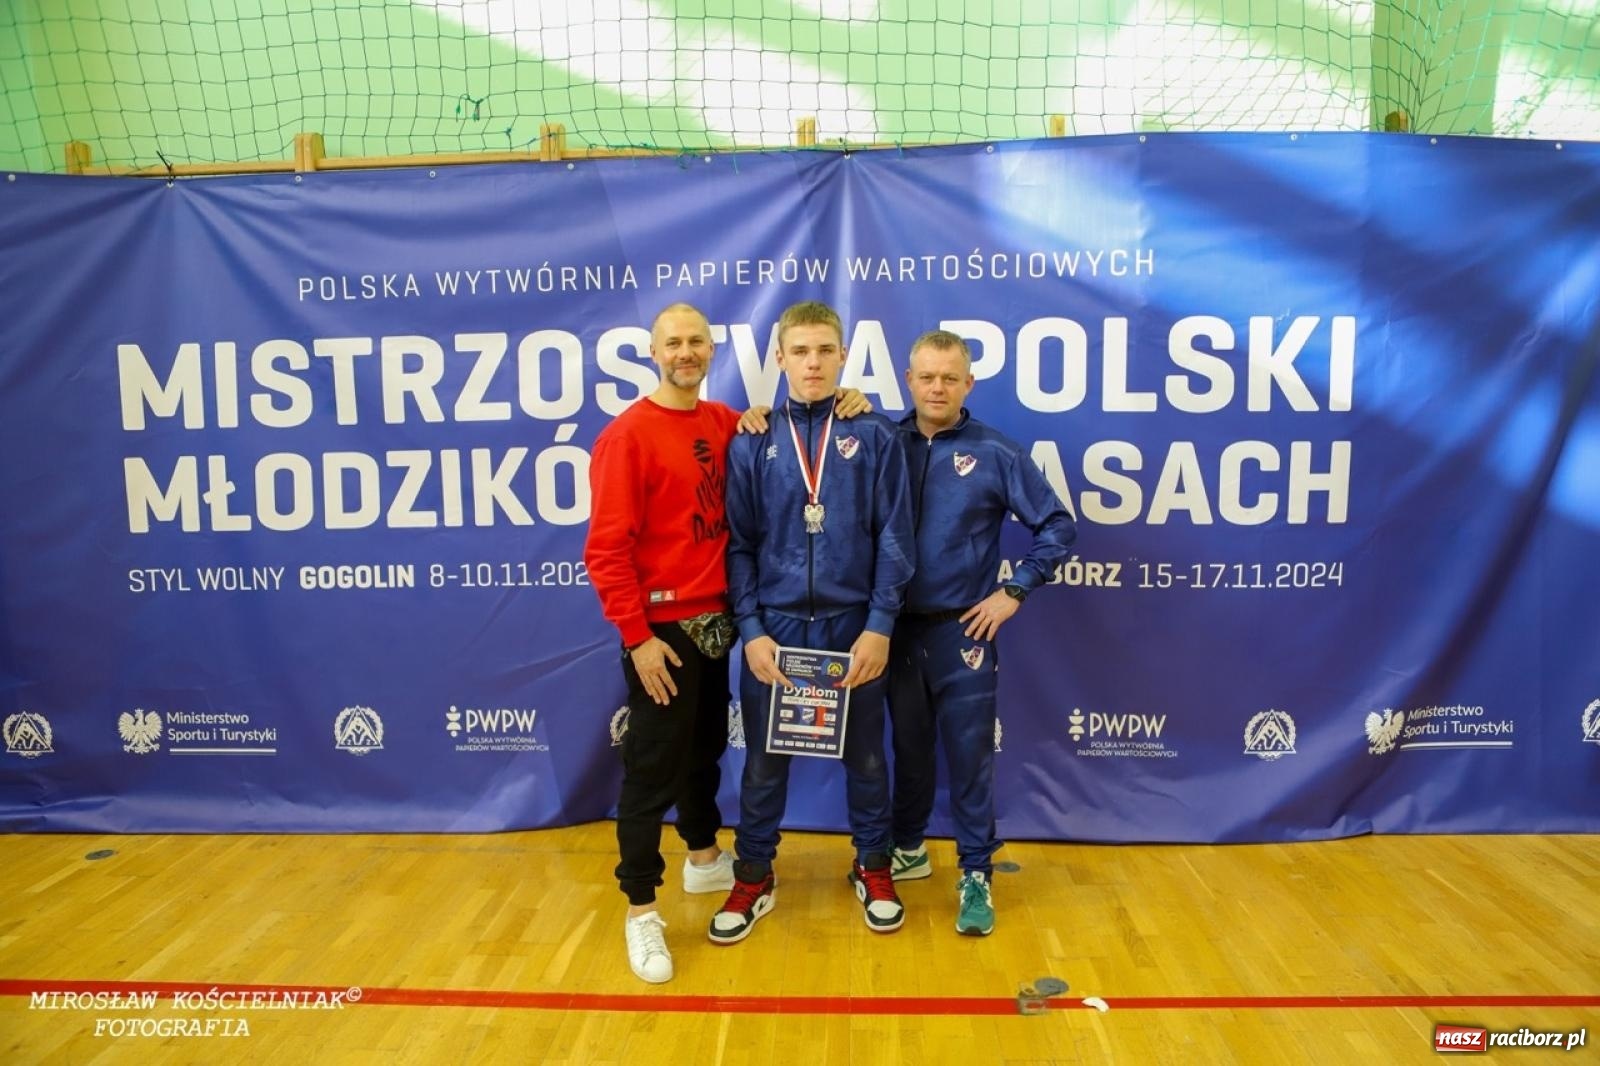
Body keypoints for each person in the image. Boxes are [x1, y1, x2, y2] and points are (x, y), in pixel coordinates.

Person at [585, 302, 872, 984]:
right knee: (652, 771)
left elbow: (801, 429)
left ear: (711, 350)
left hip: (722, 625)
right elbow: (605, 550)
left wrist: (852, 400)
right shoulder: (626, 437)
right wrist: (638, 639)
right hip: (662, 634)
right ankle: (641, 912)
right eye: (672, 342)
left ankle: (704, 860)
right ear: (652, 351)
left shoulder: (727, 423)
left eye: (696, 341)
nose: (685, 352)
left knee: (705, 754)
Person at [711, 300, 916, 945]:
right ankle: (754, 876)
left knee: (866, 759)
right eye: (800, 351)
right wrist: (751, 629)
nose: (813, 363)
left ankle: (873, 865)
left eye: (825, 350)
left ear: (843, 356)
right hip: (775, 631)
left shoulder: (874, 434)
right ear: (779, 357)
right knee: (765, 765)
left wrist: (880, 624)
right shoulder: (751, 438)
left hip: (851, 627)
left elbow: (894, 537)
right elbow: (739, 544)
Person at [886, 329, 1076, 936]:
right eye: (926, 376)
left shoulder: (996, 452)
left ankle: (975, 874)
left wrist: (1014, 589)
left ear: (969, 383)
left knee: (969, 760)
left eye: (950, 377)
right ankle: (909, 849)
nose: (937, 387)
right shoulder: (880, 442)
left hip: (961, 633)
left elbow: (1057, 525)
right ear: (908, 380)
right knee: (908, 752)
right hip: (888, 631)